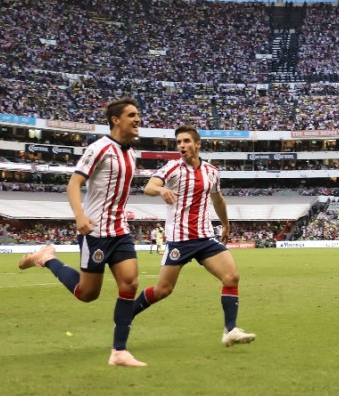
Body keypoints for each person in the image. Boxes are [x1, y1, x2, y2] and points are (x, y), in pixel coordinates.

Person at [18, 98, 147, 367]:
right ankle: (47, 258)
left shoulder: (131, 153)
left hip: (120, 230)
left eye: (138, 115)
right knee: (87, 294)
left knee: (130, 284)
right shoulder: (99, 148)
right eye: (132, 115)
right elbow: (74, 184)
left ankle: (119, 351)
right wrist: (79, 216)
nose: (138, 119)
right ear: (116, 120)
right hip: (95, 231)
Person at [132, 125, 255, 347]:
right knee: (163, 290)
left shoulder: (211, 171)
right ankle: (126, 314)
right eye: (179, 142)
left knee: (232, 276)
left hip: (205, 238)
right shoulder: (172, 168)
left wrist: (226, 224)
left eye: (186, 141)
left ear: (197, 144)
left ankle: (230, 330)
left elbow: (218, 199)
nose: (182, 145)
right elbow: (149, 186)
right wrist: (162, 190)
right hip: (180, 240)